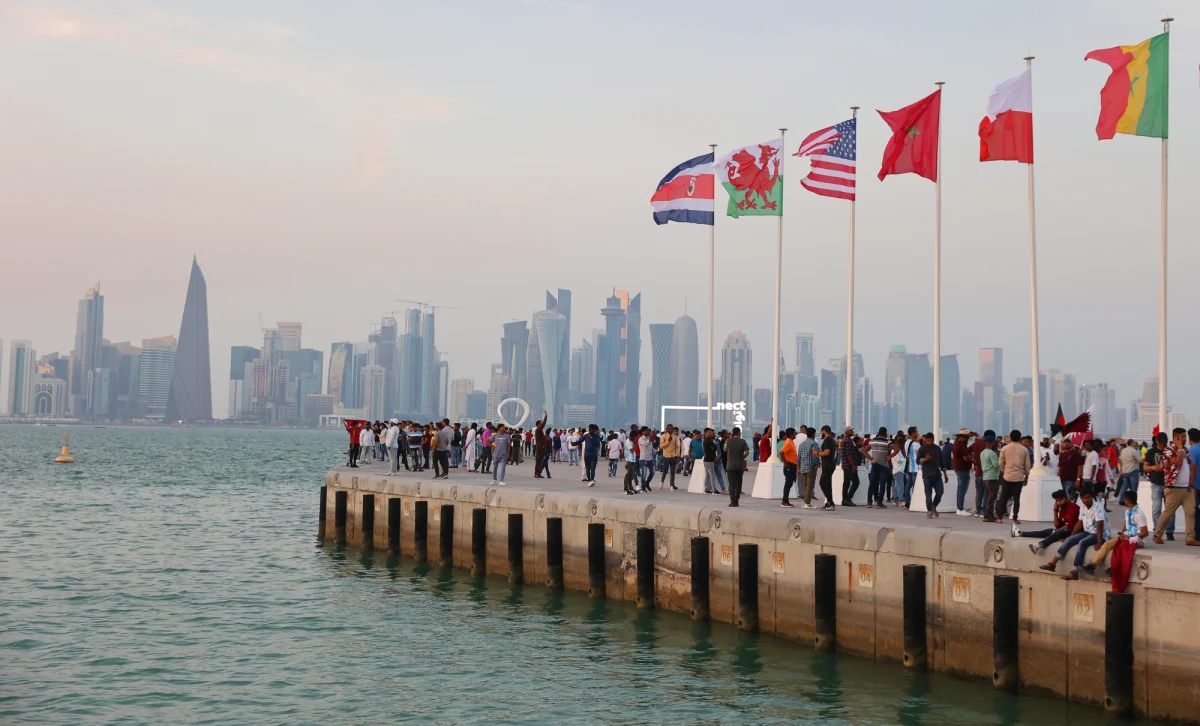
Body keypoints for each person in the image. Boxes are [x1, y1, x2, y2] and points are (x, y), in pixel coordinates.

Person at [1039, 487, 1108, 581]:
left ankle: (1074, 571)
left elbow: (1100, 525)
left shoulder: (1098, 506)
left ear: (1092, 497)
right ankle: (1052, 563)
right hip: (1087, 532)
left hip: (1098, 533)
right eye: (1083, 498)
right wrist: (1072, 537)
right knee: (1069, 540)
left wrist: (1100, 541)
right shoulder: (1083, 507)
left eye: (1088, 497)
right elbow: (1079, 523)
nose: (1086, 500)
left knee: (1082, 543)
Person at [1152, 427, 1197, 545]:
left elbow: (1190, 465)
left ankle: (1190, 538)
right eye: (1182, 437)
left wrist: (1191, 482)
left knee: (1190, 513)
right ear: (1176, 438)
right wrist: (1180, 449)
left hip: (1186, 488)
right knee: (1168, 512)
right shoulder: (1168, 450)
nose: (1185, 439)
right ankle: (1157, 534)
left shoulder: (1186, 450)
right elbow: (1178, 462)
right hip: (1174, 488)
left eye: (1185, 436)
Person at [1088, 489, 1148, 574]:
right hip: (1126, 537)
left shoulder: (1139, 514)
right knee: (1108, 544)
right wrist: (1123, 532)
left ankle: (1114, 568)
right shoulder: (1128, 511)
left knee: (1120, 547)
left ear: (1127, 501)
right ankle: (1093, 565)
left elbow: (1145, 532)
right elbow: (1126, 523)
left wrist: (1131, 537)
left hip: (1137, 540)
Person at [996, 430, 1031, 527]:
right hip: (1019, 477)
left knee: (1004, 497)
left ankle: (999, 517)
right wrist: (1026, 475)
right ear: (1020, 438)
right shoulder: (1024, 450)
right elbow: (1027, 465)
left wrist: (1004, 471)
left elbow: (1000, 463)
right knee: (1016, 498)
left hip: (1007, 476)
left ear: (1010, 437)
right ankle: (1015, 518)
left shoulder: (1005, 448)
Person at [1145, 432, 1173, 541]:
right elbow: (1145, 466)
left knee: (1170, 509)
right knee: (1156, 508)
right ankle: (1157, 531)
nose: (1162, 447)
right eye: (1161, 445)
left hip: (1169, 484)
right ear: (1157, 442)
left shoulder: (1170, 451)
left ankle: (1170, 531)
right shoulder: (1151, 452)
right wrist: (1153, 468)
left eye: (1164, 445)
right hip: (1156, 483)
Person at [916, 432, 947, 518]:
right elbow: (918, 461)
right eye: (928, 441)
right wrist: (925, 459)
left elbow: (941, 462)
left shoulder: (937, 448)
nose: (930, 442)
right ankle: (929, 511)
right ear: (925, 440)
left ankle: (934, 506)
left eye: (932, 440)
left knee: (940, 492)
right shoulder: (922, 449)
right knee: (928, 495)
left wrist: (945, 474)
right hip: (927, 475)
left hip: (937, 474)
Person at [724, 426, 750, 507]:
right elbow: (747, 452)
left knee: (732, 484)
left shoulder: (728, 441)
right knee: (739, 482)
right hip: (739, 465)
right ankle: (737, 498)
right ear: (739, 433)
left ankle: (732, 501)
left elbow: (725, 449)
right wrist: (742, 457)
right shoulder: (743, 441)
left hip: (730, 466)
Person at [865, 427, 891, 509]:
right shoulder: (887, 442)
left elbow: (864, 451)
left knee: (872, 483)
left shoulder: (872, 441)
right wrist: (890, 456)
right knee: (882, 484)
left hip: (874, 464)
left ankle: (869, 502)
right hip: (883, 465)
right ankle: (879, 503)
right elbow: (896, 448)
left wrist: (871, 459)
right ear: (885, 433)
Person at [951, 429, 974, 517]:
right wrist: (973, 459)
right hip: (962, 469)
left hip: (959, 468)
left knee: (962, 488)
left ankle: (961, 507)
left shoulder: (956, 444)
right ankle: (960, 508)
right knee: (962, 488)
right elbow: (966, 458)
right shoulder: (961, 446)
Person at [815, 425, 837, 512]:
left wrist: (818, 454)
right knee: (825, 483)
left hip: (828, 464)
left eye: (821, 432)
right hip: (828, 464)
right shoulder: (830, 440)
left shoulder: (828, 440)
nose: (821, 433)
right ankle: (829, 502)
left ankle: (830, 503)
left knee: (824, 483)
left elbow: (827, 452)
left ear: (824, 431)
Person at [979, 434, 1001, 521]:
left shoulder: (982, 453)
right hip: (993, 477)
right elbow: (996, 465)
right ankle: (989, 515)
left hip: (985, 476)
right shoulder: (992, 453)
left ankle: (986, 514)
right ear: (992, 443)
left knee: (988, 497)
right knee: (992, 497)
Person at [900, 427, 922, 509]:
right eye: (916, 431)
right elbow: (921, 453)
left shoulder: (907, 442)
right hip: (915, 468)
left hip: (909, 468)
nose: (917, 433)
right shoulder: (916, 444)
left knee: (908, 486)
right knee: (915, 487)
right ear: (913, 433)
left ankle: (907, 503)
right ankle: (914, 503)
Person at [1114, 440, 1141, 504]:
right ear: (1131, 443)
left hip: (1125, 471)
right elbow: (1140, 460)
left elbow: (1119, 459)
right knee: (1134, 487)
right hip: (1132, 471)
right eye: (1134, 442)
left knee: (1124, 486)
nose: (1135, 443)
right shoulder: (1134, 451)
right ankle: (1133, 501)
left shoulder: (1124, 450)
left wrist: (1121, 469)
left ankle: (1121, 500)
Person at [840, 426, 860, 506]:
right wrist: (853, 465)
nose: (852, 431)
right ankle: (848, 499)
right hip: (848, 465)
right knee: (856, 482)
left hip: (845, 465)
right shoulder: (848, 441)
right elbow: (849, 454)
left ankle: (844, 499)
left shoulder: (844, 440)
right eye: (851, 430)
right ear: (847, 432)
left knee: (846, 482)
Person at [779, 428, 798, 507]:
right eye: (794, 433)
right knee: (788, 483)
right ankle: (785, 501)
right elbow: (781, 452)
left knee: (789, 484)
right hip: (790, 465)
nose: (795, 435)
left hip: (792, 465)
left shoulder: (791, 442)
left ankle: (785, 500)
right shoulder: (788, 443)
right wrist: (786, 463)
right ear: (791, 435)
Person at [659, 425, 681, 490]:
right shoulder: (663, 436)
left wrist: (677, 454)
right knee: (665, 470)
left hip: (673, 456)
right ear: (667, 429)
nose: (671, 430)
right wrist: (668, 441)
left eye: (672, 428)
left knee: (672, 471)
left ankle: (671, 485)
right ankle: (662, 482)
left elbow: (677, 447)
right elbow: (661, 446)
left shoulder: (675, 437)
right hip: (666, 455)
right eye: (670, 428)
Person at [533, 410, 551, 479]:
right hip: (540, 448)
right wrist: (546, 416)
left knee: (539, 461)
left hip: (540, 447)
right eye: (540, 423)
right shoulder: (538, 429)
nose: (542, 424)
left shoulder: (539, 430)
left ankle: (536, 473)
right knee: (539, 461)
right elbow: (543, 424)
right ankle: (537, 474)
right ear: (538, 424)